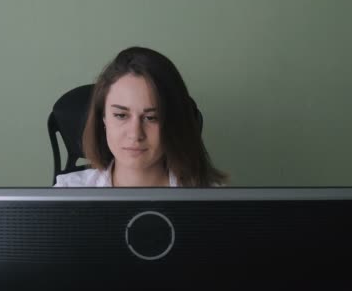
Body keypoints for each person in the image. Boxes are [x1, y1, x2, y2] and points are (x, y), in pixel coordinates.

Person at [54, 46, 227, 187]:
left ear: (173, 123)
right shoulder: (66, 194)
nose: (135, 134)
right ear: (104, 119)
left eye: (151, 118)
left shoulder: (212, 201)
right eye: (121, 115)